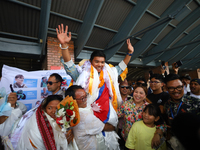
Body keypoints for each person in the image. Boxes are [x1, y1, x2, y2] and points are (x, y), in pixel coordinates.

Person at [57, 24, 134, 145]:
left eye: (102, 62)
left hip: (107, 117)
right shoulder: (83, 74)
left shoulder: (109, 73)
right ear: (91, 62)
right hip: (87, 121)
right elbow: (69, 66)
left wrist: (129, 53)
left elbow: (120, 68)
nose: (100, 64)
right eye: (96, 61)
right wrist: (64, 45)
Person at [65, 85, 119, 150]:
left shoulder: (70, 111)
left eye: (86, 96)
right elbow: (110, 127)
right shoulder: (84, 116)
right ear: (72, 100)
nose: (85, 100)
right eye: (82, 98)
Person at [164, 74, 200, 149]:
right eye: (171, 88)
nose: (176, 90)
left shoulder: (196, 103)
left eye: (179, 87)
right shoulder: (167, 104)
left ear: (183, 86)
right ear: (166, 89)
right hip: (173, 144)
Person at [117, 78, 132, 149]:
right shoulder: (114, 98)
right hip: (117, 128)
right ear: (119, 88)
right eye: (122, 87)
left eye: (127, 87)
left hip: (128, 129)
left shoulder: (132, 100)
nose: (125, 89)